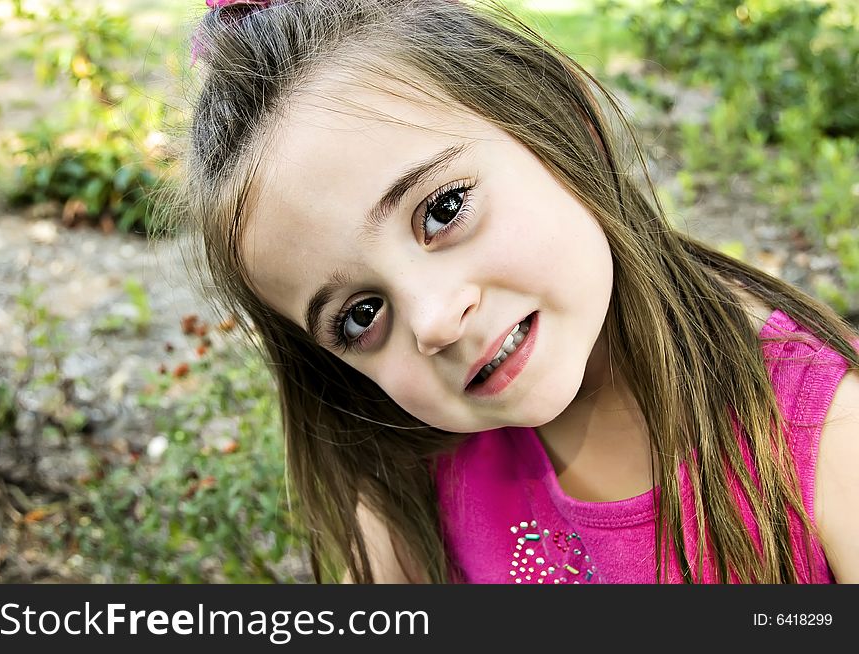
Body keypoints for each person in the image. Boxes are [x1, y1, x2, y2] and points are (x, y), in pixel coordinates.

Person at [170, 0, 859, 583]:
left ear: (566, 126)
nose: (436, 320)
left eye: (441, 210)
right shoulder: (413, 479)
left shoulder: (825, 437)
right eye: (361, 315)